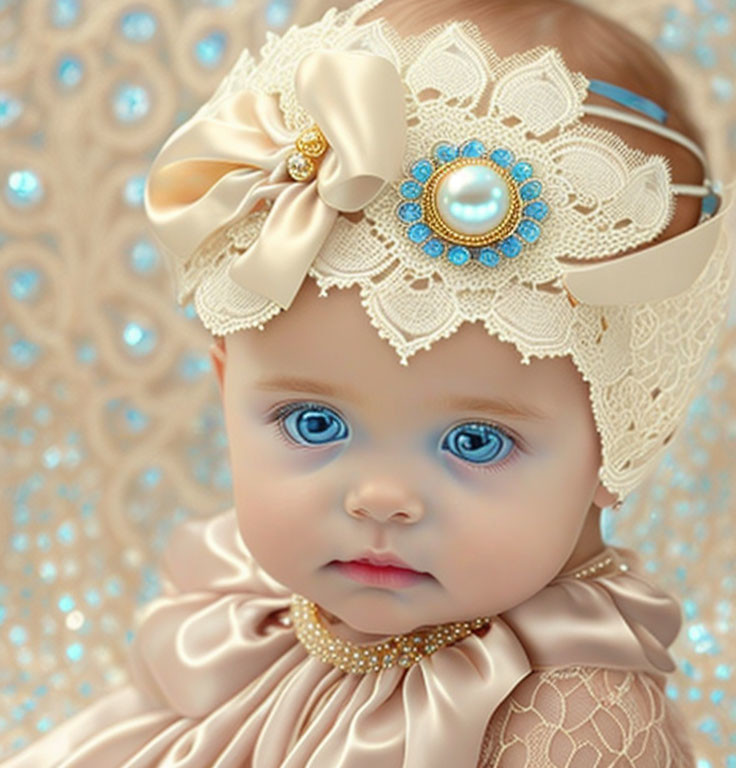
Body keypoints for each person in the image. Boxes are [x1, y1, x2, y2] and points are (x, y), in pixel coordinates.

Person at [3, 0, 732, 764]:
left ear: (623, 437)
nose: (379, 497)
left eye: (475, 441)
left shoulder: (570, 713)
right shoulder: (247, 605)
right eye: (313, 423)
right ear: (226, 388)